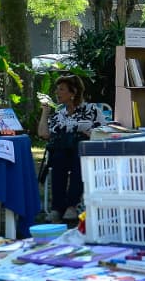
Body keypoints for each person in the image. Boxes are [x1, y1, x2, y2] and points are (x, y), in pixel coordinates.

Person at [41, 73, 104, 223]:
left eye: (61, 89)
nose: (57, 93)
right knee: (58, 159)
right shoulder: (59, 114)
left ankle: (71, 205)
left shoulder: (91, 110)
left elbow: (105, 132)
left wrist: (88, 133)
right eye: (57, 89)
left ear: (73, 92)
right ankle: (57, 208)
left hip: (84, 152)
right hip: (62, 152)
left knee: (78, 159)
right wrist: (45, 113)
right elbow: (44, 134)